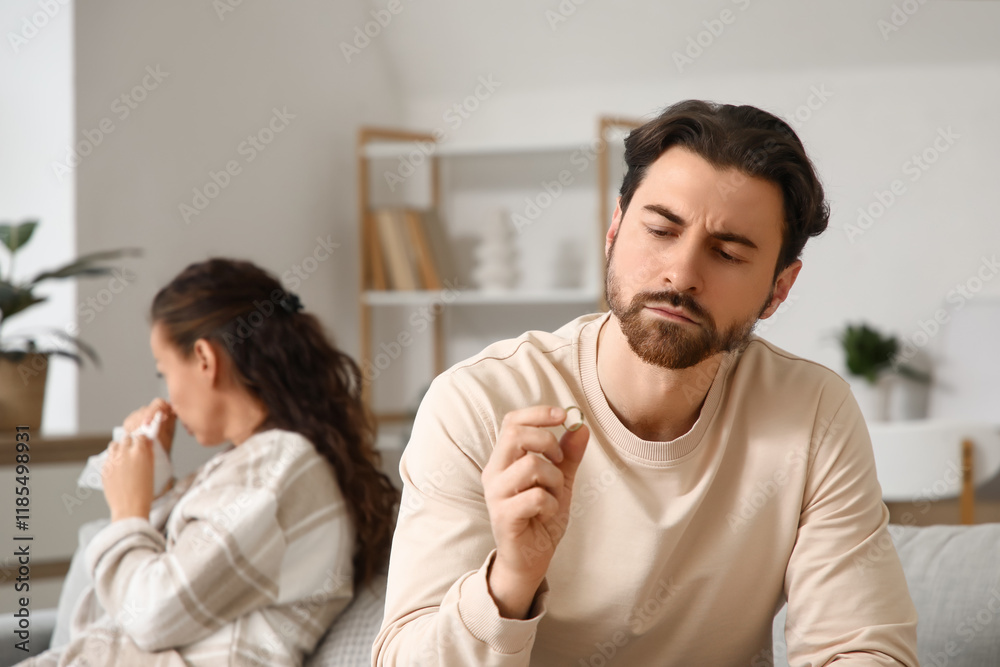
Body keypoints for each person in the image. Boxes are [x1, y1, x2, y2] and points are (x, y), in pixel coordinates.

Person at [373, 100, 919, 666]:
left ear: (779, 287)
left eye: (728, 253)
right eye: (660, 229)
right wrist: (509, 580)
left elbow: (862, 648)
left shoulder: (813, 414)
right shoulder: (478, 404)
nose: (681, 274)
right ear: (614, 229)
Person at [22, 258, 398, 667]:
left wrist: (128, 513)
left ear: (204, 358)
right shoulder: (256, 465)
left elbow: (149, 616)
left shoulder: (279, 469)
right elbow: (186, 585)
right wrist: (158, 487)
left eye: (163, 370)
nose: (166, 393)